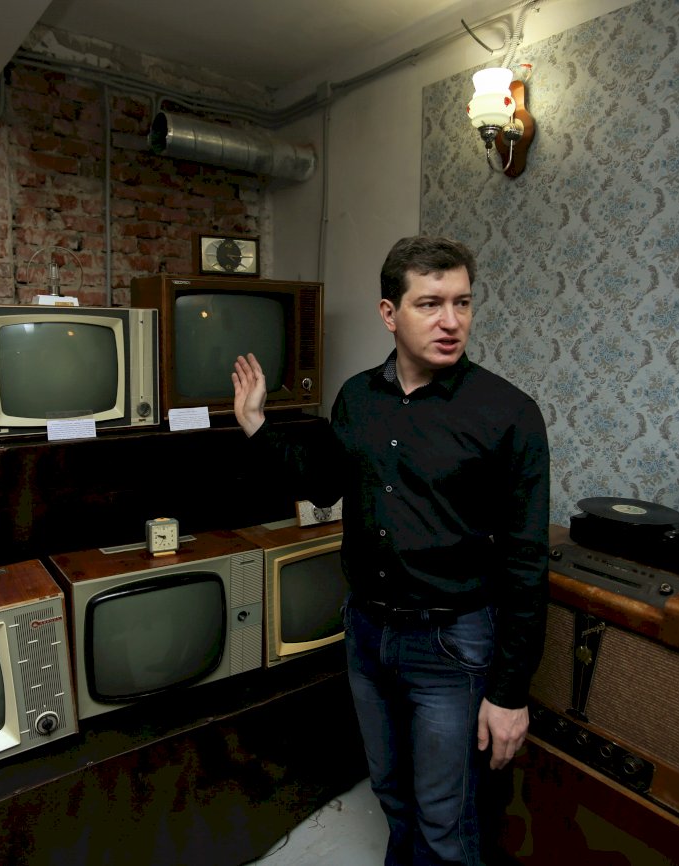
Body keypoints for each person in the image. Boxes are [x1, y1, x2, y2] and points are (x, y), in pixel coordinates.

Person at [232, 235, 550, 866]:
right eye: (430, 304)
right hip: (368, 633)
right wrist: (257, 425)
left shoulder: (508, 414)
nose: (451, 321)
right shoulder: (357, 398)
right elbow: (325, 484)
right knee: (392, 794)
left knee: (445, 820)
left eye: (462, 302)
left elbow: (525, 561)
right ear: (389, 313)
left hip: (452, 647)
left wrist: (510, 694)